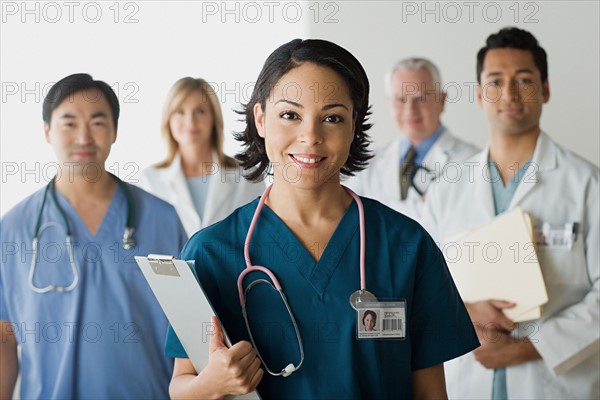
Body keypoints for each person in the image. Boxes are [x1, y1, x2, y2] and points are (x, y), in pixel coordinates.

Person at [165, 38, 479, 400]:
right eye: (290, 115)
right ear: (261, 118)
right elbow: (181, 386)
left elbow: (430, 393)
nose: (310, 136)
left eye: (332, 117)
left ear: (353, 126)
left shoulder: (407, 245)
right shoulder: (210, 251)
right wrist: (211, 385)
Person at [422, 27, 599, 399]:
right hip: (465, 379)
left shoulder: (586, 184)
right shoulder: (445, 189)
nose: (509, 94)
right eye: (495, 81)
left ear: (546, 89)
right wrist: (466, 311)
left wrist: (529, 347)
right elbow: (423, 287)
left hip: (555, 385)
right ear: (478, 94)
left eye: (524, 80)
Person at [0, 74, 188, 399]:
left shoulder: (163, 220)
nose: (84, 137)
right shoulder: (14, 229)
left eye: (97, 122)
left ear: (114, 131)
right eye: (69, 123)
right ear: (47, 131)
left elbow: (190, 329)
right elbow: (4, 341)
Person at [346, 58, 478, 220]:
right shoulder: (367, 165)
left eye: (420, 98)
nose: (410, 110)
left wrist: (376, 211)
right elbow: (350, 217)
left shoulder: (472, 162)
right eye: (401, 100)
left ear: (442, 100)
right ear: (389, 102)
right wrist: (424, 208)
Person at [138, 77, 264, 237]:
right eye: (180, 111)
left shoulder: (247, 175)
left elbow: (261, 235)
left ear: (213, 119)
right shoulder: (149, 181)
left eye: (200, 111)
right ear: (168, 120)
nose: (190, 121)